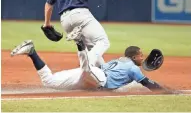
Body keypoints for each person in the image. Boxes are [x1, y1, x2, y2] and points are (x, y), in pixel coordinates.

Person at [10, 39, 176, 94]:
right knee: (87, 69)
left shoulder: (119, 61)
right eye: (141, 55)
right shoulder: (133, 68)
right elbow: (147, 83)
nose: (143, 56)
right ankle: (80, 44)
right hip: (98, 79)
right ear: (134, 57)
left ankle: (32, 52)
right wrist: (164, 90)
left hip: (95, 77)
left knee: (49, 81)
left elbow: (133, 83)